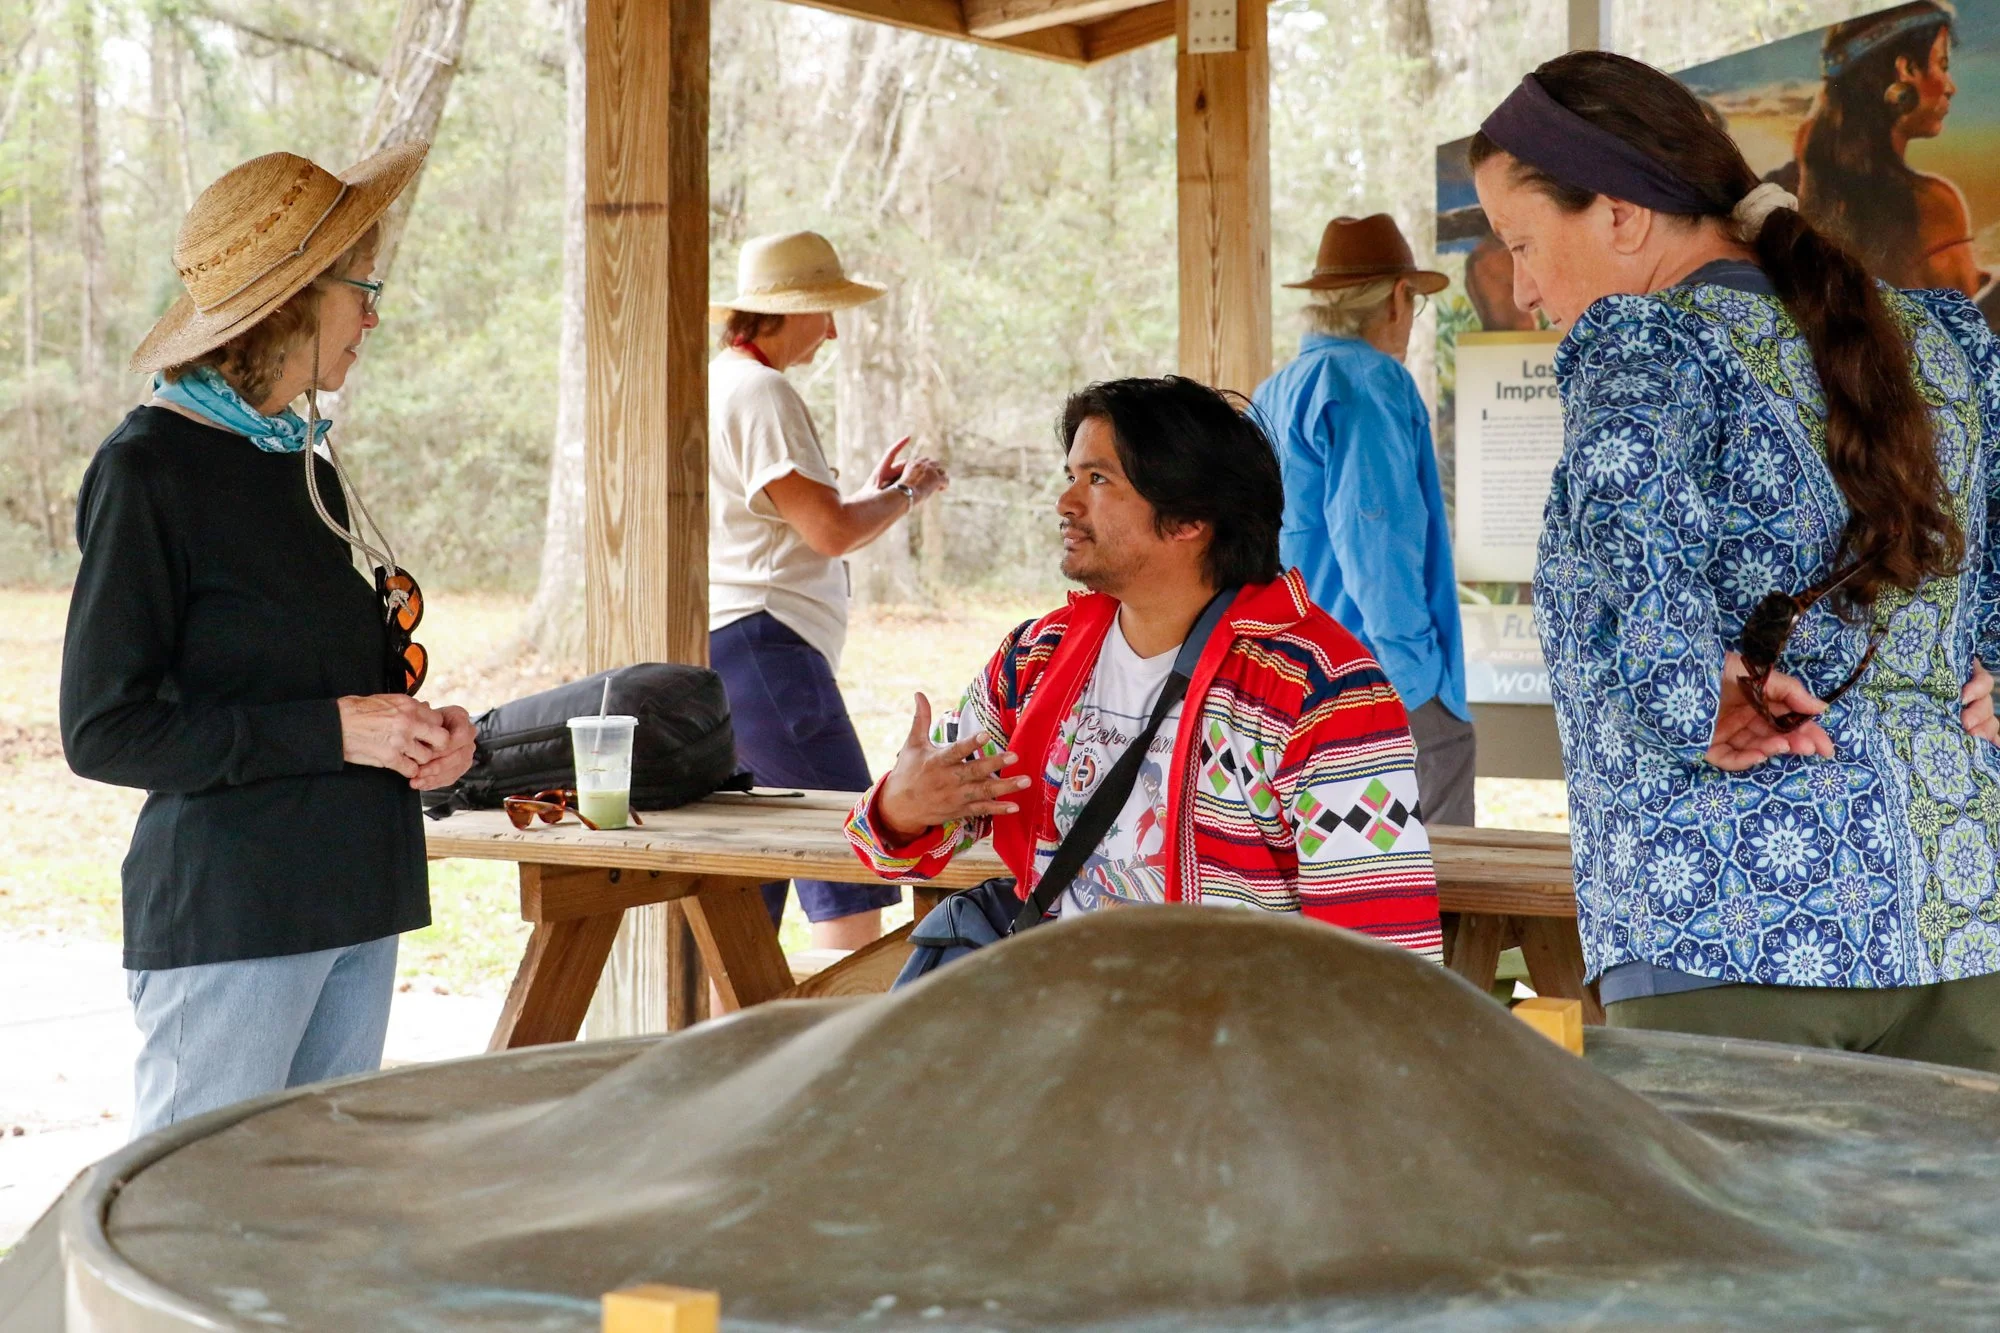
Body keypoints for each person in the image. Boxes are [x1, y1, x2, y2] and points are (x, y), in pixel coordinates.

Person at [1472, 51, 2000, 1070]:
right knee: (1962, 1233)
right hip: (1967, 908)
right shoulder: (1941, 340)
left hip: (1736, 923)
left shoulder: (1648, 342)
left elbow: (1631, 541)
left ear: (1621, 214)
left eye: (1522, 244)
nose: (1526, 290)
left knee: (1753, 1236)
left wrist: (1688, 695)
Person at [60, 146, 478, 1136]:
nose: (373, 315)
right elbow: (105, 731)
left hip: (355, 899)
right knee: (193, 1240)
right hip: (234, 915)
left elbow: (338, 695)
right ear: (293, 302)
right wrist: (333, 732)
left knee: (315, 1232)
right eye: (360, 290)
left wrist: (425, 741)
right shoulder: (147, 469)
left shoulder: (303, 464)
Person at [845, 376, 1443, 958]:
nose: (1065, 503)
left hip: (1225, 1043)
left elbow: (1386, 955)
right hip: (1055, 1019)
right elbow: (889, 850)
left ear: (1188, 519)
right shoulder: (1037, 658)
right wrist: (902, 809)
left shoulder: (1319, 691)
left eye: (1099, 479)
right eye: (1071, 475)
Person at [708, 230, 949, 950]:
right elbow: (831, 532)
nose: (834, 330)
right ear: (790, 310)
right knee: (854, 849)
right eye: (825, 311)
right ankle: (840, 1044)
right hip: (765, 647)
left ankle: (743, 1050)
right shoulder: (763, 391)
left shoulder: (721, 381)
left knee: (753, 879)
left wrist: (871, 498)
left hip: (734, 646)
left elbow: (807, 521)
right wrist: (908, 493)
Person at [1252, 214, 1476, 826]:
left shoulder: (1275, 390)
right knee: (1438, 885)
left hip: (1299, 676)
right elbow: (1374, 535)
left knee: (1335, 879)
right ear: (1399, 298)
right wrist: (1417, 680)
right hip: (1380, 674)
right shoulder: (1370, 381)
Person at [1767, 2, 1991, 302]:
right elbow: (1971, 331)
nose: (1951, 87)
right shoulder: (1935, 205)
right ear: (1907, 70)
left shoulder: (1806, 177)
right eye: (1942, 64)